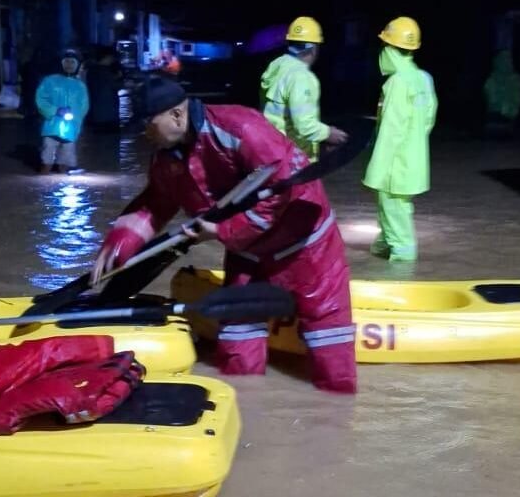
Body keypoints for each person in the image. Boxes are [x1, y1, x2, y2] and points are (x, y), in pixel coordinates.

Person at [91, 76, 357, 394]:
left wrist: (221, 230)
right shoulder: (166, 157)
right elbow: (156, 202)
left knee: (331, 353)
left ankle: (335, 421)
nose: (145, 135)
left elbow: (279, 192)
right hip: (247, 250)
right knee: (237, 354)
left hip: (306, 245)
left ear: (176, 115)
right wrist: (119, 244)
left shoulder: (242, 127)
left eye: (149, 124)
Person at [364, 16, 437, 263]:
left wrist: (376, 170)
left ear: (391, 48)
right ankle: (384, 243)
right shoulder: (423, 78)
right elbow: (428, 120)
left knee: (393, 207)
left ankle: (402, 265)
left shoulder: (397, 83)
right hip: (413, 158)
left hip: (395, 163)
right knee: (398, 208)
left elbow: (390, 131)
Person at [260, 16, 348, 161]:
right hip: (293, 157)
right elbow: (304, 126)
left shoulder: (277, 66)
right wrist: (329, 134)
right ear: (313, 48)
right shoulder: (301, 77)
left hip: (271, 149)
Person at [35, 48, 90, 174]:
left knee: (66, 160)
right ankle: (44, 181)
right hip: (51, 124)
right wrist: (55, 111)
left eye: (72, 62)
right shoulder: (49, 81)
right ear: (61, 63)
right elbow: (41, 99)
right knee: (47, 156)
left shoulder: (80, 85)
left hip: (71, 127)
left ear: (77, 65)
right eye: (66, 62)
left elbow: (83, 107)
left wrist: (76, 122)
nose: (69, 65)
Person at [483, 49, 520, 136]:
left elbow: (517, 102)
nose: (506, 61)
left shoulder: (516, 80)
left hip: (511, 121)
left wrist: (508, 110)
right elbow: (491, 101)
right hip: (494, 119)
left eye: (508, 58)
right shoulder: (491, 80)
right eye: (503, 58)